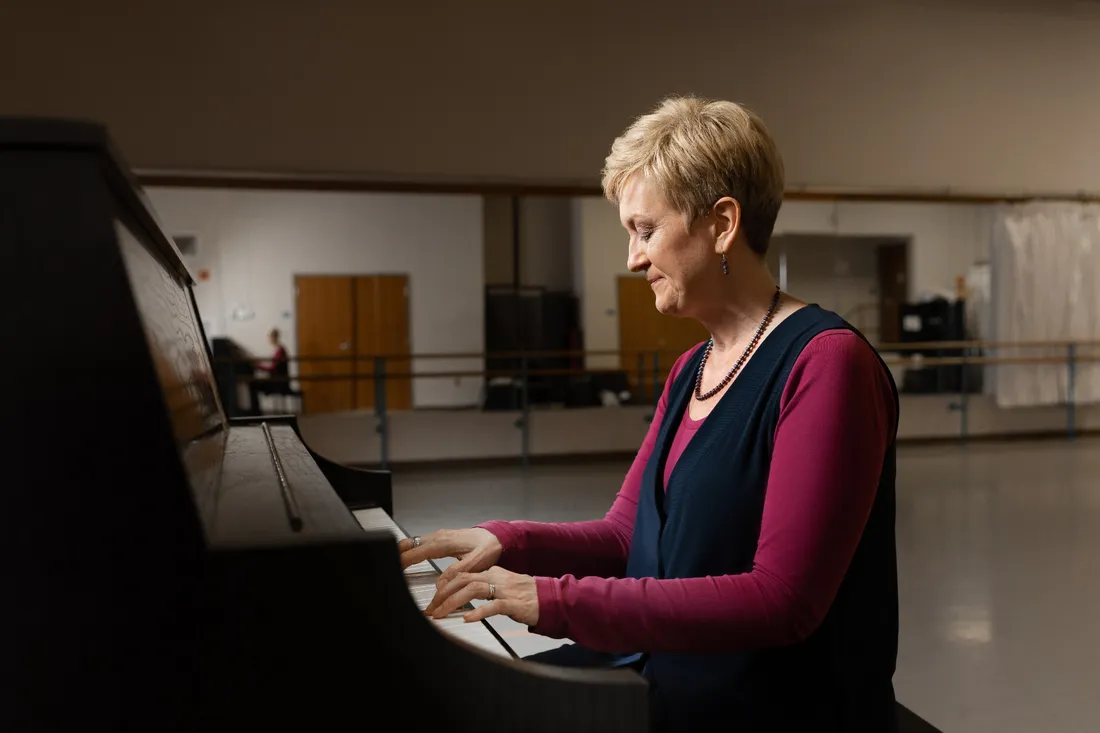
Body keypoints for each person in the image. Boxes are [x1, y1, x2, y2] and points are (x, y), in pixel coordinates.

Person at [399, 96, 899, 731]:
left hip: (769, 708)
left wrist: (553, 599)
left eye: (645, 230)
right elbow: (627, 536)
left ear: (722, 224)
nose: (633, 260)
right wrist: (508, 541)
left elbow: (783, 600)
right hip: (668, 677)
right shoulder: (691, 367)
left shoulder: (827, 364)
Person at [248, 328, 290, 415]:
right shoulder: (281, 350)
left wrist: (258, 366)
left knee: (253, 385)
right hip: (279, 380)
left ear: (274, 338)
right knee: (255, 383)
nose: (269, 340)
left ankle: (256, 412)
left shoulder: (280, 351)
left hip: (278, 382)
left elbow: (273, 368)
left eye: (270, 338)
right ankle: (256, 411)